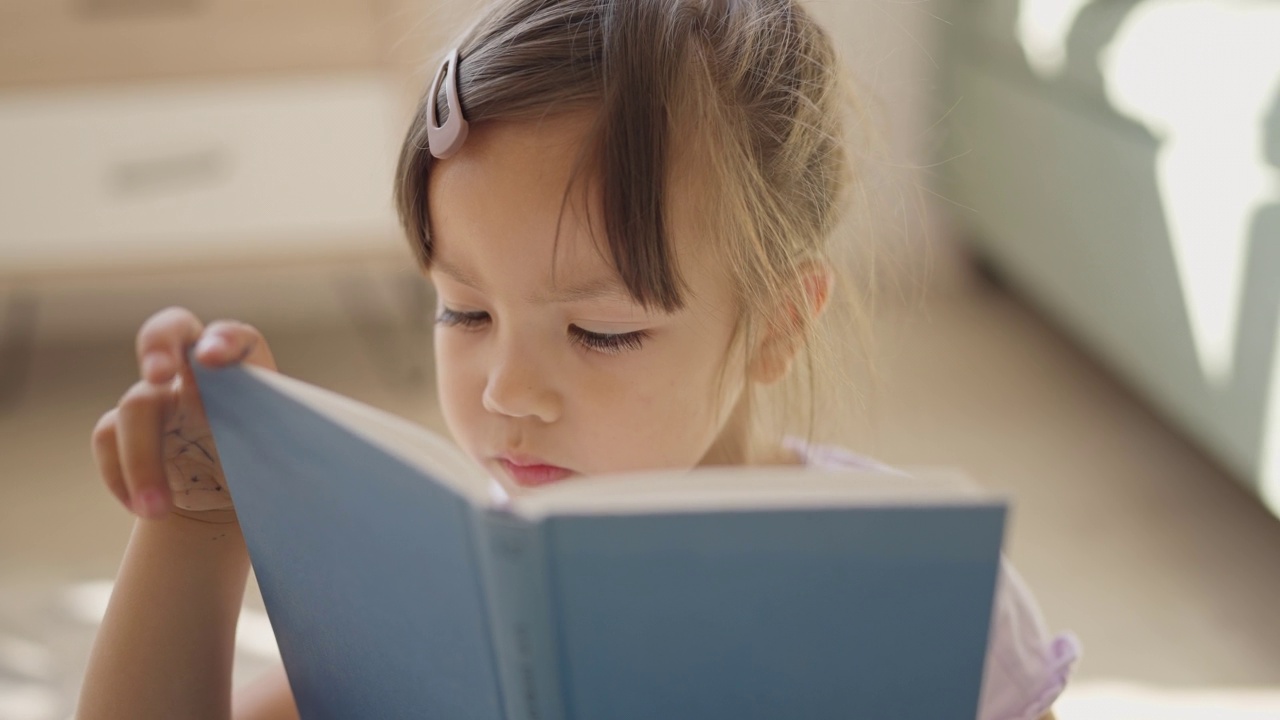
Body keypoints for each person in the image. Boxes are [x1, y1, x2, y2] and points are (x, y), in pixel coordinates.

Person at [79, 0, 1077, 717]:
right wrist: (197, 528)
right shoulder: (449, 588)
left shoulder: (927, 599)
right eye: (463, 312)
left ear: (776, 323)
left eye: (601, 332)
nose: (508, 390)